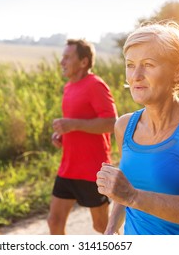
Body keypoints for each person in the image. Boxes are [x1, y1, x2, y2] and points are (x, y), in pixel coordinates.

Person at [96, 21, 179, 235]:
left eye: (148, 64)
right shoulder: (124, 126)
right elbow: (125, 189)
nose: (136, 75)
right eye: (130, 65)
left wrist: (133, 196)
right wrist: (111, 229)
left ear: (178, 71)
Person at [47, 39, 118, 235]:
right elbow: (75, 123)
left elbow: (112, 122)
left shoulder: (96, 85)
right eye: (63, 57)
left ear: (84, 62)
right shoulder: (69, 87)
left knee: (103, 228)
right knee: (54, 221)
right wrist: (62, 134)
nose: (62, 62)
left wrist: (73, 125)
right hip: (68, 168)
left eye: (67, 57)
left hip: (92, 170)